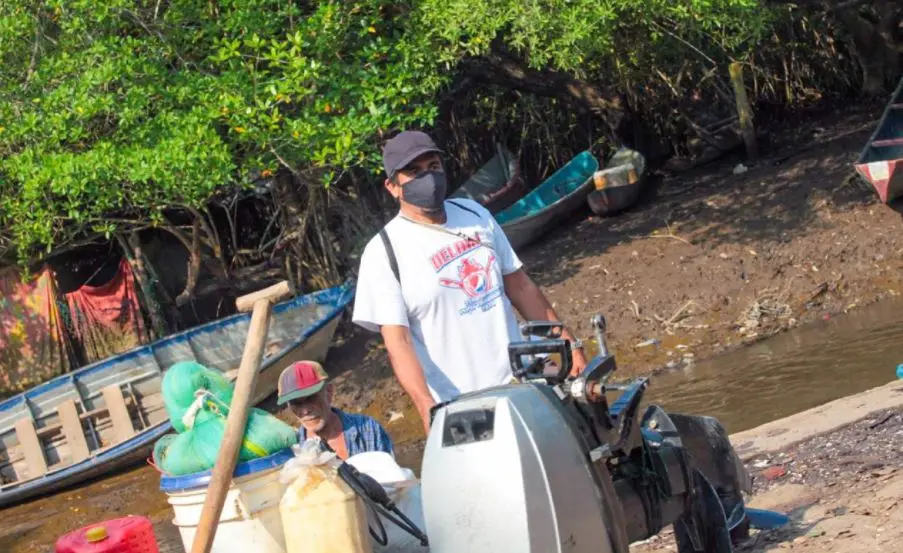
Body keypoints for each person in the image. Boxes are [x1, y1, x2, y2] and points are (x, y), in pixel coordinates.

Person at [352, 130, 588, 433]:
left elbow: (520, 286)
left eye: (433, 166)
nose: (428, 178)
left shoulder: (474, 214)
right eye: (414, 172)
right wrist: (425, 405)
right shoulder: (383, 252)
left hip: (524, 381)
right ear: (392, 187)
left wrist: (568, 344)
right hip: (462, 406)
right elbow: (398, 341)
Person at [277, 360, 394, 460]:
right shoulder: (294, 453)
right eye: (296, 403)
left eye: (311, 398)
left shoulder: (367, 429)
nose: (305, 411)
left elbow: (391, 475)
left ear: (329, 392)